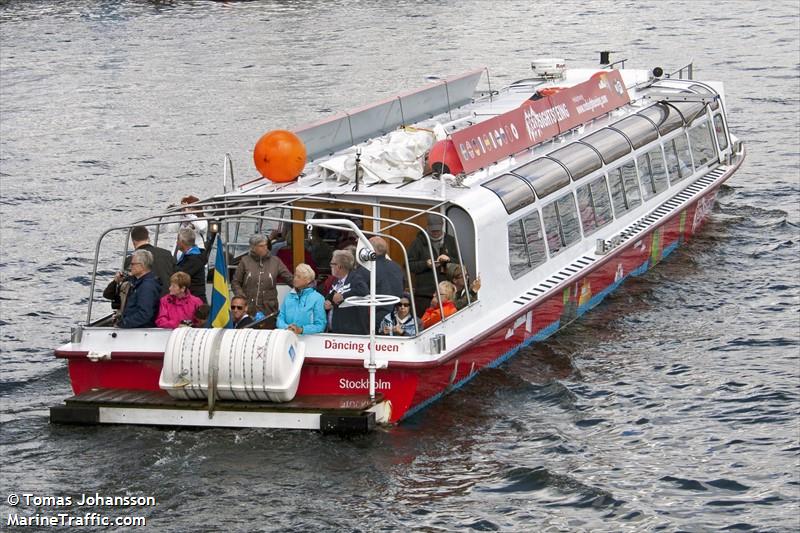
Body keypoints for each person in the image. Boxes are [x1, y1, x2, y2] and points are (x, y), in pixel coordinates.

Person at [104, 226, 176, 312]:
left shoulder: (131, 260)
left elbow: (127, 286)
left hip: (144, 306)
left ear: (133, 241)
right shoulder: (167, 254)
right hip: (168, 304)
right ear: (148, 238)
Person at [232, 234, 293, 319]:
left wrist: (305, 287)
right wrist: (242, 298)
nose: (265, 248)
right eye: (261, 246)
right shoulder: (245, 261)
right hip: (249, 309)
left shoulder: (276, 261)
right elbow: (235, 283)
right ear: (253, 247)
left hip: (269, 309)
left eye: (266, 245)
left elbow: (290, 279)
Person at [407, 213, 458, 313]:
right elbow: (408, 265)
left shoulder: (450, 241)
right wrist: (425, 264)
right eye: (433, 230)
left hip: (446, 296)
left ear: (443, 226)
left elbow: (460, 263)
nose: (435, 232)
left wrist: (449, 259)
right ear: (427, 227)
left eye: (438, 230)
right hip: (424, 295)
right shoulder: (418, 242)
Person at [325, 249, 369, 334]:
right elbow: (332, 297)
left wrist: (343, 296)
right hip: (335, 330)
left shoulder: (355, 278)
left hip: (351, 333)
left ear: (340, 266)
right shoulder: (335, 281)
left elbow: (364, 290)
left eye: (332, 264)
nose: (330, 266)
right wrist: (328, 302)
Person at [277, 263, 326, 335]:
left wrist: (302, 330)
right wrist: (287, 328)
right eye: (295, 275)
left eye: (298, 277)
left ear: (308, 280)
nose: (295, 279)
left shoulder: (318, 298)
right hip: (288, 338)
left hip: (309, 341)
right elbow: (280, 318)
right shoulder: (288, 296)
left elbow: (320, 325)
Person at [118, 250, 161, 328]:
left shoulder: (147, 286)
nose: (130, 267)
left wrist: (124, 323)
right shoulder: (139, 282)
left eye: (133, 264)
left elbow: (145, 314)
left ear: (142, 266)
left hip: (140, 330)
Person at [368, 236, 405, 328]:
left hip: (375, 314)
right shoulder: (397, 267)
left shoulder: (368, 268)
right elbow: (403, 286)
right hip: (396, 314)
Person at [175, 228, 207, 303]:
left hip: (194, 300)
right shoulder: (189, 255)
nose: (177, 242)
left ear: (182, 242)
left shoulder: (194, 259)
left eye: (178, 240)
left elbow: (180, 274)